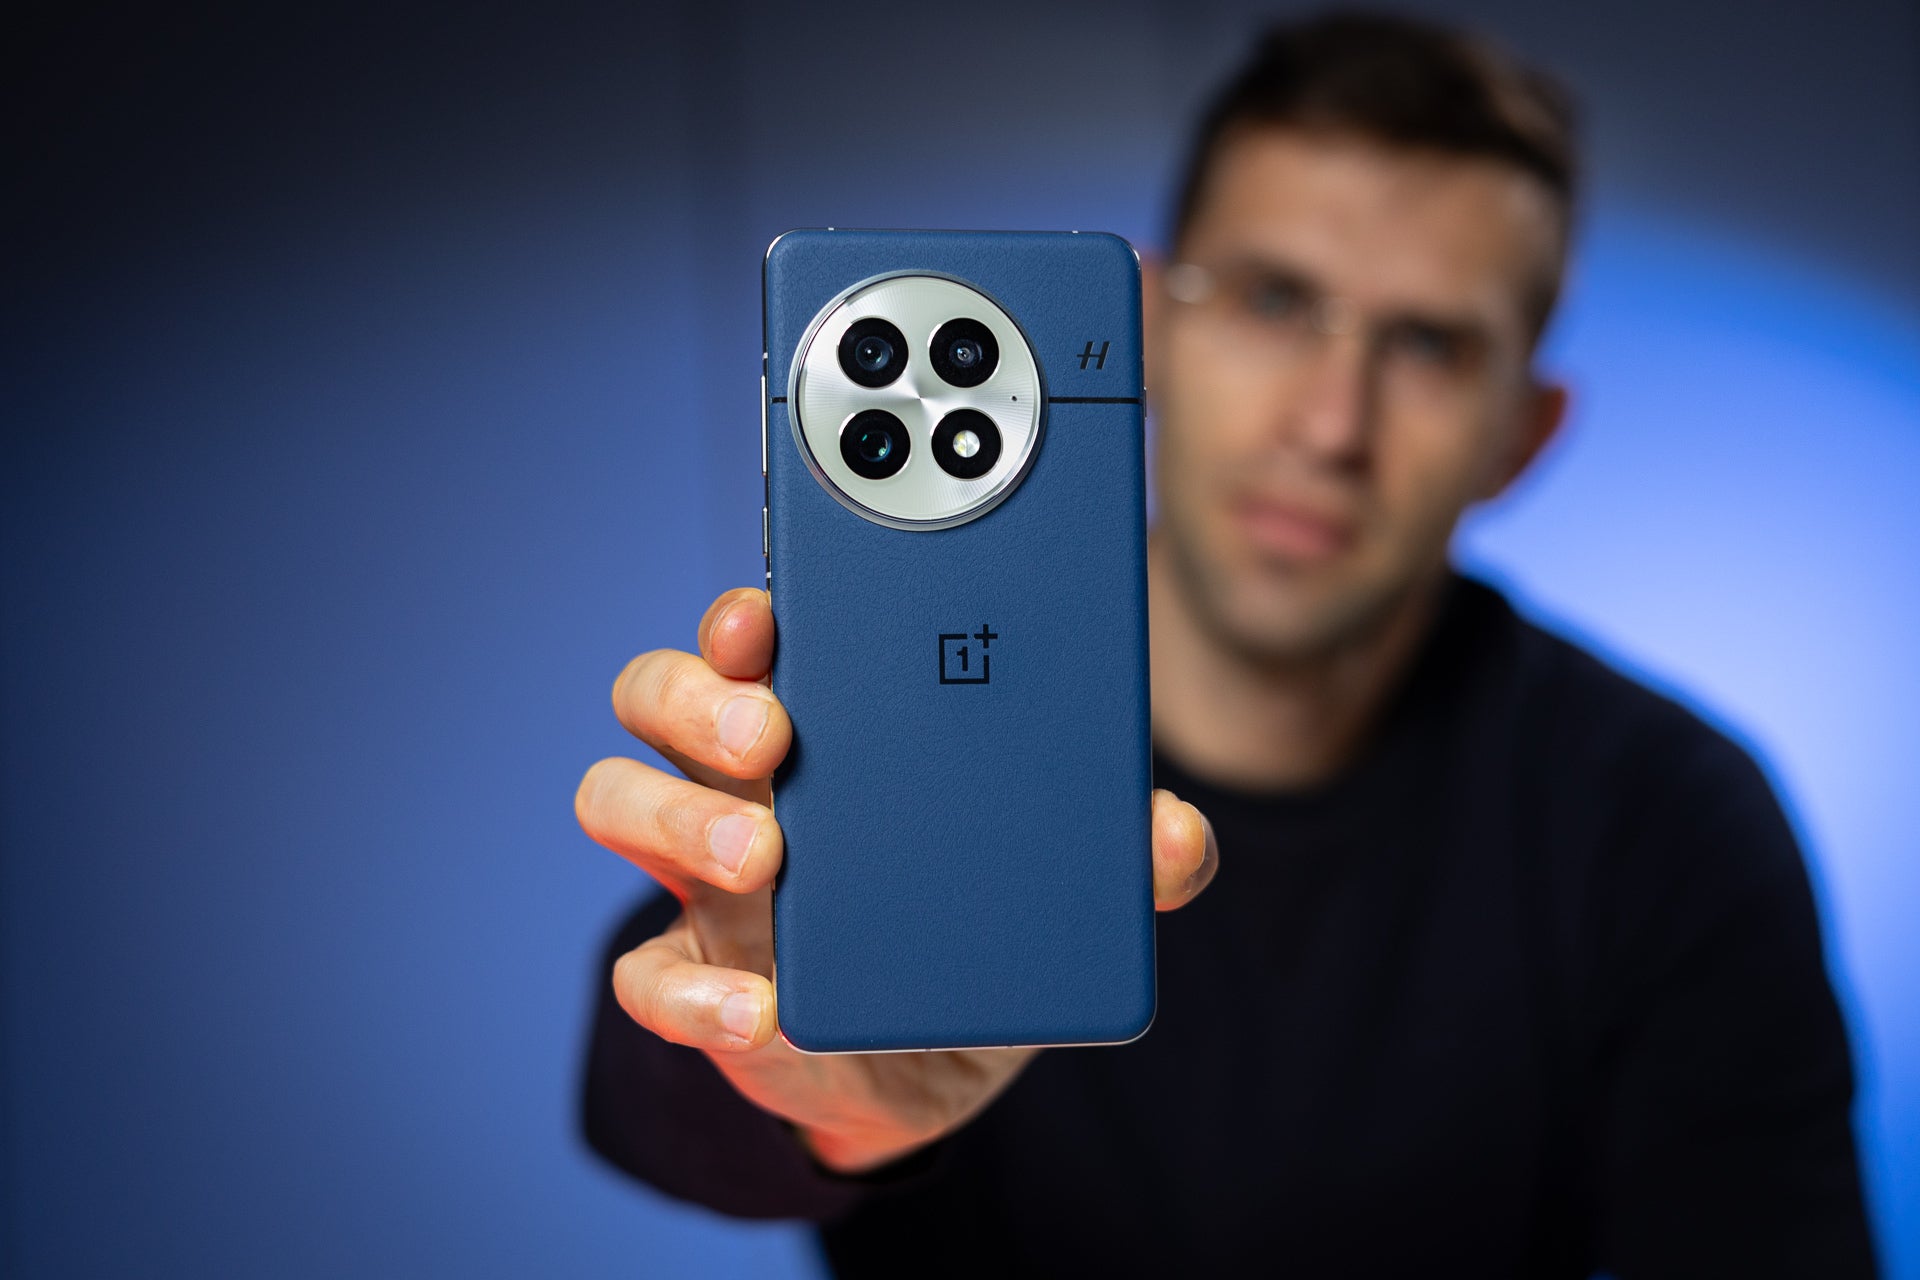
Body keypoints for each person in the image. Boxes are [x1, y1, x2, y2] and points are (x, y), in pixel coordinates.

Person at [572, 12, 1878, 1276]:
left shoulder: (1662, 817)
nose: (1330, 424)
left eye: (1428, 345)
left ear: (1520, 437)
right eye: (1272, 299)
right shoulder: (880, 713)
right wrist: (805, 1103)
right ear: (1151, 326)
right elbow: (647, 1098)